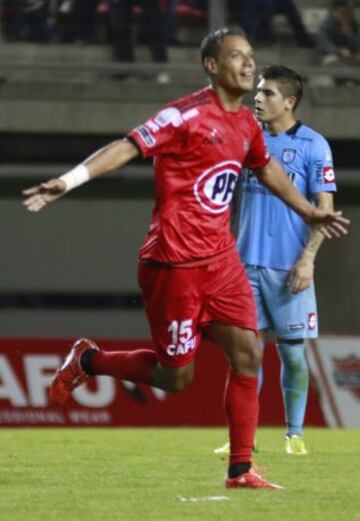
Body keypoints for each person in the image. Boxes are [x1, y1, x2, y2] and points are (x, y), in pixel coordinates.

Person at [23, 28, 349, 490]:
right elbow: (128, 146)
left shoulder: (245, 127)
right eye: (237, 57)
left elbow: (268, 169)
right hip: (172, 265)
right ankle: (88, 360)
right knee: (176, 378)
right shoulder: (184, 116)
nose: (248, 64)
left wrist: (310, 210)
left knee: (249, 351)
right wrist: (69, 180)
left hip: (220, 262)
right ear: (212, 66)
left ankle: (240, 469)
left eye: (251, 56)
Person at [214, 65, 337, 457]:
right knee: (244, 352)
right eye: (259, 92)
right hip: (244, 265)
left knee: (293, 354)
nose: (258, 98)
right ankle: (241, 439)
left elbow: (325, 209)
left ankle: (294, 432)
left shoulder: (314, 145)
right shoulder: (244, 138)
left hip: (289, 269)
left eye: (266, 93)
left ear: (289, 101)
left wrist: (308, 260)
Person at [317, 0, 360, 66]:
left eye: (347, 12)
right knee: (333, 60)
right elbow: (325, 45)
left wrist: (350, 34)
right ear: (334, 12)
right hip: (331, 54)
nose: (345, 15)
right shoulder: (327, 25)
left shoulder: (352, 23)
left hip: (350, 54)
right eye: (342, 12)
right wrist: (339, 50)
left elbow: (356, 45)